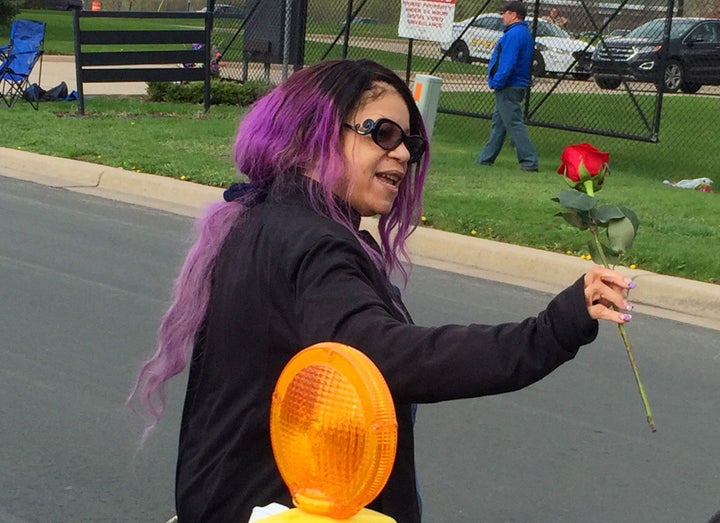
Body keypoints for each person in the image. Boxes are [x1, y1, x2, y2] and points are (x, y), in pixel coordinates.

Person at [128, 58, 636, 523]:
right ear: (314, 132)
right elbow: (384, 357)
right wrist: (554, 328)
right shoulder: (314, 242)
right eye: (383, 133)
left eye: (411, 144)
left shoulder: (262, 220)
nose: (402, 154)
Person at [477, 1, 539, 172]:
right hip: (514, 85)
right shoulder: (523, 33)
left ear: (513, 14)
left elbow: (508, 63)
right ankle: (484, 159)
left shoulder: (514, 34)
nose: (502, 16)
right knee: (499, 124)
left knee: (514, 123)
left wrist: (497, 81)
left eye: (504, 13)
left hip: (509, 86)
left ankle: (529, 161)